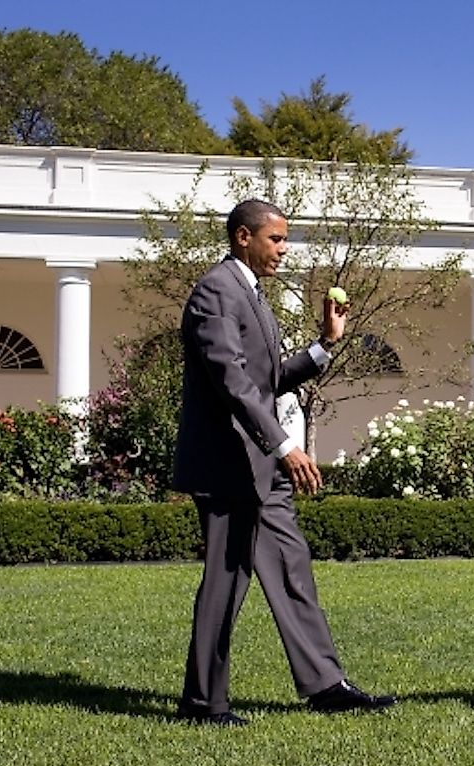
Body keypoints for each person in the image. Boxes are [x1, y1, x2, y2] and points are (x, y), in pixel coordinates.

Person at [172, 198, 395, 726]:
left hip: (261, 470)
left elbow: (268, 378)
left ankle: (326, 685)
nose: (284, 248)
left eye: (285, 239)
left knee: (293, 569)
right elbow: (233, 382)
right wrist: (284, 445)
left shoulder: (252, 295)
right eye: (276, 239)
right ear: (243, 237)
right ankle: (203, 704)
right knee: (226, 582)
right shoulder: (215, 293)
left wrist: (324, 345)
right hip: (229, 466)